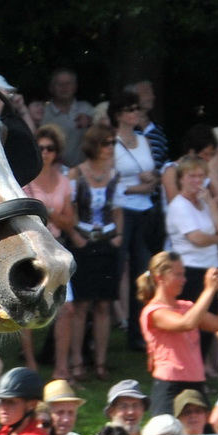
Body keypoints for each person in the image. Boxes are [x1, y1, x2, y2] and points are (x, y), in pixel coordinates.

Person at [164, 157, 218, 380]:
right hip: (189, 271)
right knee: (194, 328)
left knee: (210, 327)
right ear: (181, 179)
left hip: (211, 269)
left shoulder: (203, 203)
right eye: (192, 176)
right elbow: (197, 239)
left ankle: (200, 373)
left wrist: (210, 201)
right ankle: (190, 375)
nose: (197, 181)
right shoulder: (178, 206)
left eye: (201, 176)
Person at [20, 125, 77, 377]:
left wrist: (49, 212)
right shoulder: (24, 179)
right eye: (41, 147)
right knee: (28, 307)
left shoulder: (64, 181)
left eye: (50, 148)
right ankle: (30, 363)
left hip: (56, 247)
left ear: (56, 152)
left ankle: (61, 367)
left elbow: (69, 221)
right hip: (31, 249)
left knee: (67, 308)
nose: (45, 152)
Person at [66, 125, 122, 381]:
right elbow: (71, 206)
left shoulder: (115, 174)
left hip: (108, 241)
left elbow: (118, 208)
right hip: (83, 240)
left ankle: (100, 361)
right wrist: (76, 235)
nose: (110, 147)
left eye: (112, 143)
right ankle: (77, 360)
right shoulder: (76, 173)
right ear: (95, 146)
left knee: (103, 305)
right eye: (106, 143)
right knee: (81, 304)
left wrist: (119, 234)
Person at [138, 251, 218, 420]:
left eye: (183, 274)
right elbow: (185, 324)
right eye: (178, 275)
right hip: (170, 384)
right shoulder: (153, 311)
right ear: (159, 277)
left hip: (196, 381)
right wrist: (209, 289)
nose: (184, 279)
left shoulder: (186, 306)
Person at [111, 91, 160, 352]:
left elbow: (153, 172)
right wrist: (135, 189)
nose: (136, 113)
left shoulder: (143, 140)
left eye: (137, 109)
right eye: (131, 109)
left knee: (142, 272)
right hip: (122, 210)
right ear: (119, 115)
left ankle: (137, 334)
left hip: (145, 212)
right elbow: (109, 180)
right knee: (116, 269)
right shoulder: (111, 142)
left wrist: (150, 182)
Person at [32, 67, 92, 167]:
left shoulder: (87, 109)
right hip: (51, 171)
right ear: (51, 88)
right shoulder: (42, 112)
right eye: (59, 84)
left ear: (75, 87)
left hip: (82, 173)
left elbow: (104, 133)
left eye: (68, 84)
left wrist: (90, 122)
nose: (64, 87)